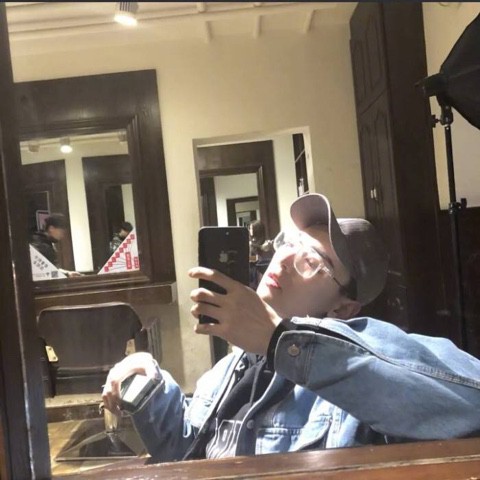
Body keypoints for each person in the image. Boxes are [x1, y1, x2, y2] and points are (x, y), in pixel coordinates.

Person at [102, 193, 480, 463]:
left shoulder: (360, 372)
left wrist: (278, 339)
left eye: (312, 259)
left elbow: (471, 400)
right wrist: (150, 383)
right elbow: (184, 454)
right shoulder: (228, 369)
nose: (282, 260)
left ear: (343, 307)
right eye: (289, 243)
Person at [248, 220, 274, 289]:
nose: (249, 230)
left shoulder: (265, 244)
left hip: (261, 271)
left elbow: (262, 258)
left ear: (256, 230)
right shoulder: (250, 243)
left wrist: (253, 258)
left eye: (251, 228)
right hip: (252, 272)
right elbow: (250, 258)